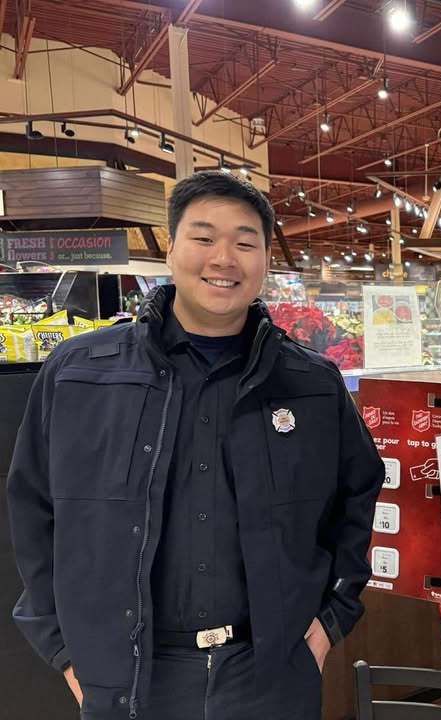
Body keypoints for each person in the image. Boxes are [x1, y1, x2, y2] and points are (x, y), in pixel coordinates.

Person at [8, 170, 385, 719]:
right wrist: (66, 651)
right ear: (171, 250)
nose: (223, 258)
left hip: (269, 677)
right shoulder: (80, 374)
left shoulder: (311, 383)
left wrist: (332, 620)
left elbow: (358, 496)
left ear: (264, 259)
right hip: (131, 679)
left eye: (245, 242)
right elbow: (32, 508)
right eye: (204, 238)